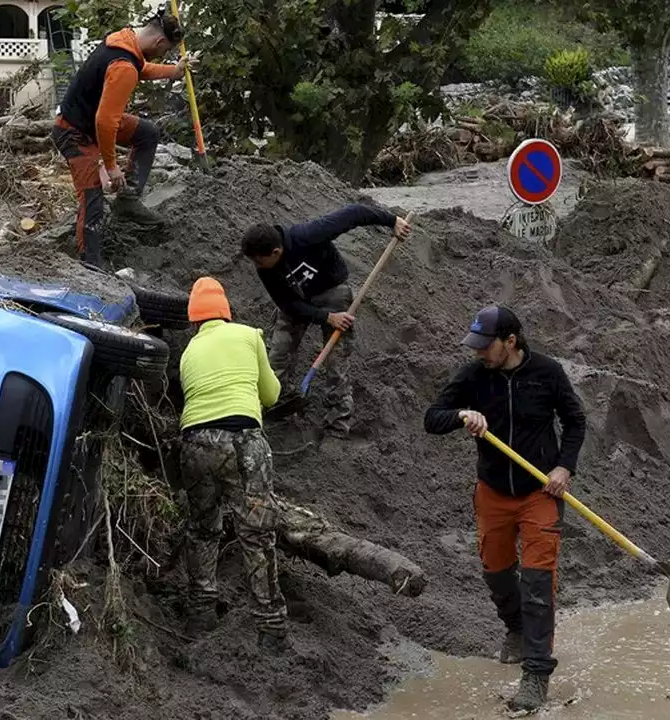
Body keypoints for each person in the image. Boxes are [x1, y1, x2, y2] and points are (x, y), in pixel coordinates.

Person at [423, 305, 587, 712]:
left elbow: (575, 420)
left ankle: (535, 673)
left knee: (537, 583)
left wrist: (564, 467)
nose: (478, 352)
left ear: (510, 342)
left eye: (485, 345)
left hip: (540, 494)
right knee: (497, 574)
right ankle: (515, 628)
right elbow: (432, 418)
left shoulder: (546, 373)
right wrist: (462, 414)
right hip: (493, 491)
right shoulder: (473, 375)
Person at [178, 276, 290, 653]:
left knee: (202, 529)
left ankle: (201, 616)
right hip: (243, 442)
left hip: (194, 444)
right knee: (257, 534)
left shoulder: (188, 352)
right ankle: (270, 629)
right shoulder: (247, 335)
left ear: (194, 321)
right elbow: (272, 394)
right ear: (226, 313)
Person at [241, 204, 412, 435]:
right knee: (278, 355)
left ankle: (337, 425)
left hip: (331, 291)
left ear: (275, 252)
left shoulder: (308, 235)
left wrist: (392, 221)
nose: (257, 267)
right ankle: (279, 407)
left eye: (259, 262)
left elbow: (354, 213)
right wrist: (324, 317)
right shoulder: (265, 268)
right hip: (297, 300)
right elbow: (287, 304)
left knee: (337, 361)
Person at [50, 9, 192, 267]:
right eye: (164, 51)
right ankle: (90, 265)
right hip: (74, 132)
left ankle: (127, 202)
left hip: (89, 119)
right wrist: (112, 167)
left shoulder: (124, 39)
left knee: (147, 133)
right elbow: (106, 122)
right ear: (160, 42)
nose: (162, 55)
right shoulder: (123, 65)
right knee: (92, 198)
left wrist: (173, 71)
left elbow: (142, 68)